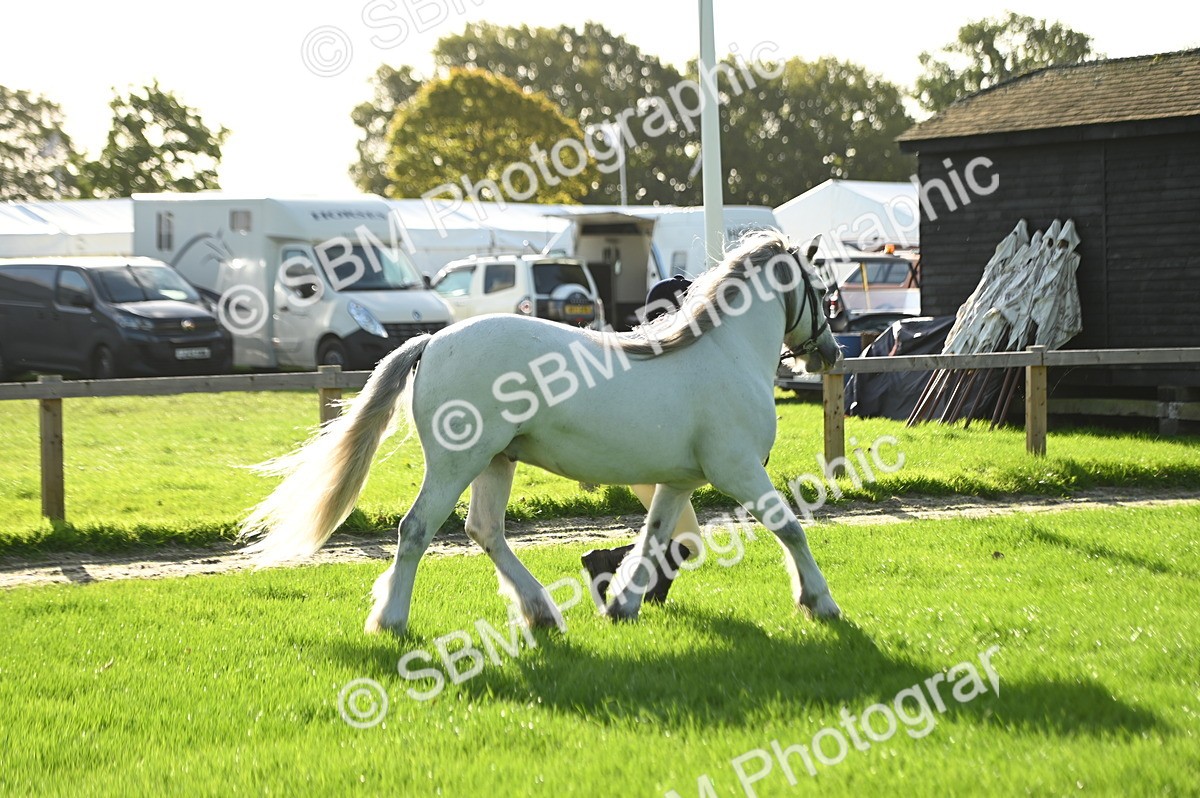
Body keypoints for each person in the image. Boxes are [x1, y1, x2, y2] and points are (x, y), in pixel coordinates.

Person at [581, 274, 702, 607]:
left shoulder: (641, 353)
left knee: (679, 540)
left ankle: (649, 595)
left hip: (642, 464)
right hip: (653, 467)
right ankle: (609, 566)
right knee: (687, 543)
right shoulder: (671, 360)